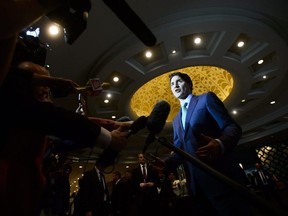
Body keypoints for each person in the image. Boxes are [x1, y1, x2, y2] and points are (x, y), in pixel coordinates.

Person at [0, 35, 131, 216]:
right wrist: (108, 138)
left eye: (48, 90)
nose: (47, 93)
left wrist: (113, 126)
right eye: (39, 88)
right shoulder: (15, 112)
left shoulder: (42, 135)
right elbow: (54, 119)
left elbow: (66, 138)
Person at [155, 72, 256, 216]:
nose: (175, 85)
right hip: (196, 191)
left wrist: (219, 143)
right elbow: (180, 151)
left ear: (189, 84)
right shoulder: (176, 119)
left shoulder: (206, 99)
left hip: (221, 181)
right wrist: (166, 164)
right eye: (172, 84)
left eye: (179, 81)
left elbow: (232, 128)